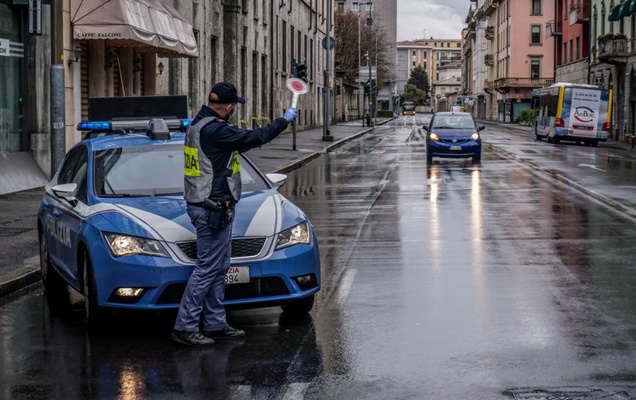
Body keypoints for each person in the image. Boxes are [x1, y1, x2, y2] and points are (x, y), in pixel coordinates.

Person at [172, 82, 298, 346]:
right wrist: (283, 121)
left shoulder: (198, 124)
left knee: (218, 268)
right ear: (228, 107)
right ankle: (185, 326)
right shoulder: (216, 130)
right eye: (233, 106)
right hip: (211, 207)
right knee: (207, 268)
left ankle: (216, 323)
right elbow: (254, 137)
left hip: (209, 205)